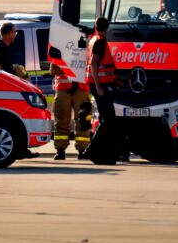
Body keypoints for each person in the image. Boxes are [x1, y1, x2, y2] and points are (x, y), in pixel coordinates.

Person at [86, 17, 124, 164]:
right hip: (100, 85)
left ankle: (102, 152)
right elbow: (94, 64)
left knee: (108, 119)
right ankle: (92, 150)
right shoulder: (100, 42)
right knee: (108, 120)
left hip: (102, 84)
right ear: (107, 27)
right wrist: (99, 87)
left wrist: (115, 80)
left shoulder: (94, 39)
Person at [51, 61, 90, 160]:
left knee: (83, 120)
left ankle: (83, 150)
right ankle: (60, 150)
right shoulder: (59, 48)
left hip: (81, 89)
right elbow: (52, 70)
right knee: (61, 120)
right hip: (64, 89)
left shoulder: (87, 48)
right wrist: (70, 69)